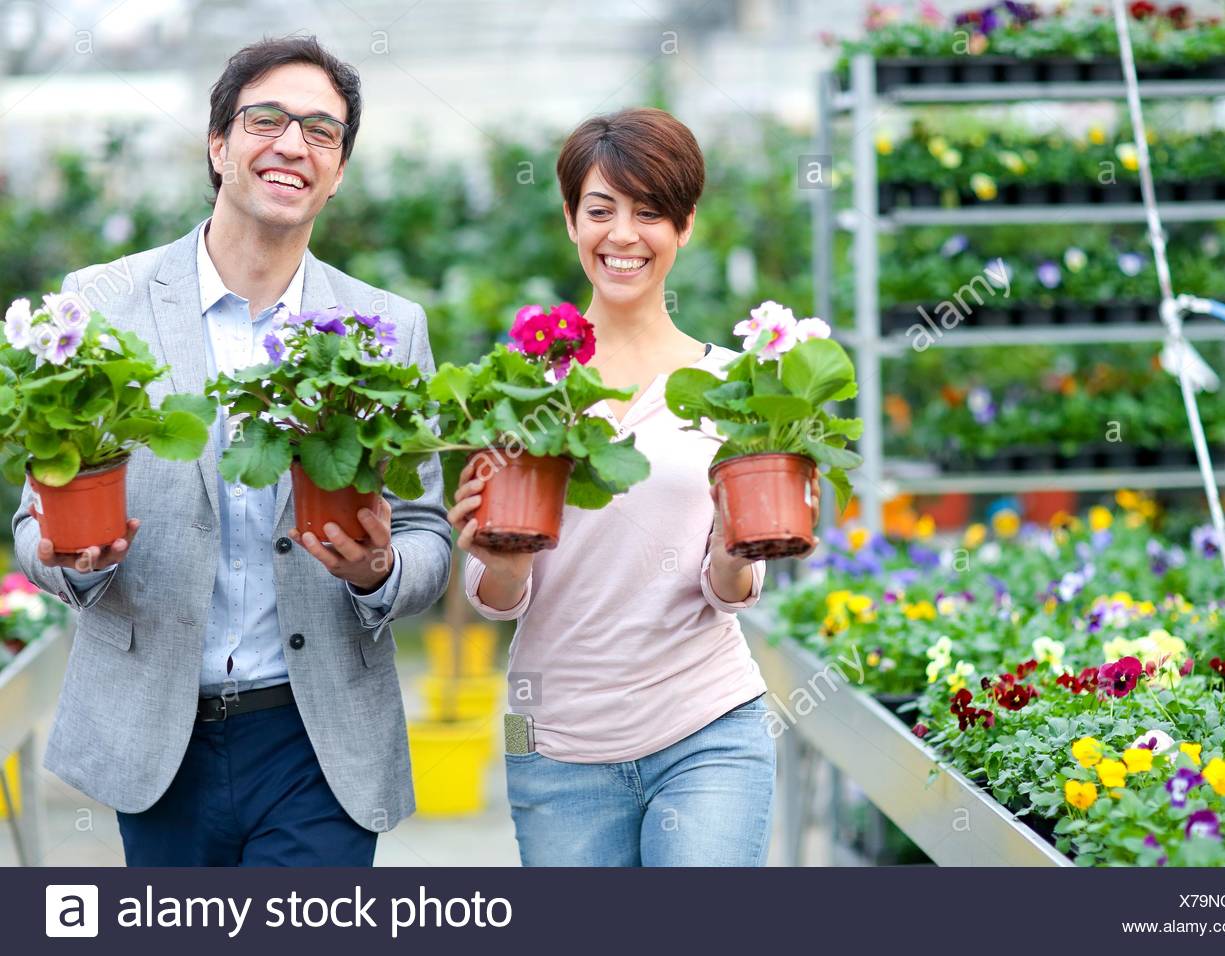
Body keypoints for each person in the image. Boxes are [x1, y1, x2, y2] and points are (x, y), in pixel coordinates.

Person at [11, 36, 452, 867]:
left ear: (340, 170)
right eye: (267, 120)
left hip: (316, 740)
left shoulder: (386, 328)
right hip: (157, 737)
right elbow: (37, 519)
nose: (294, 144)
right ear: (218, 146)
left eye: (323, 132)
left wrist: (380, 573)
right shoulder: (101, 304)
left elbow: (429, 532)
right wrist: (75, 560)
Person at [448, 107, 820, 866]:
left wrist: (730, 552)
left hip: (707, 728)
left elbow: (730, 587)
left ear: (684, 228)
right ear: (569, 220)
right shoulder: (522, 388)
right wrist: (501, 558)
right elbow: (495, 596)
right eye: (601, 210)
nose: (623, 235)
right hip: (553, 742)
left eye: (649, 212)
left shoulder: (729, 385)